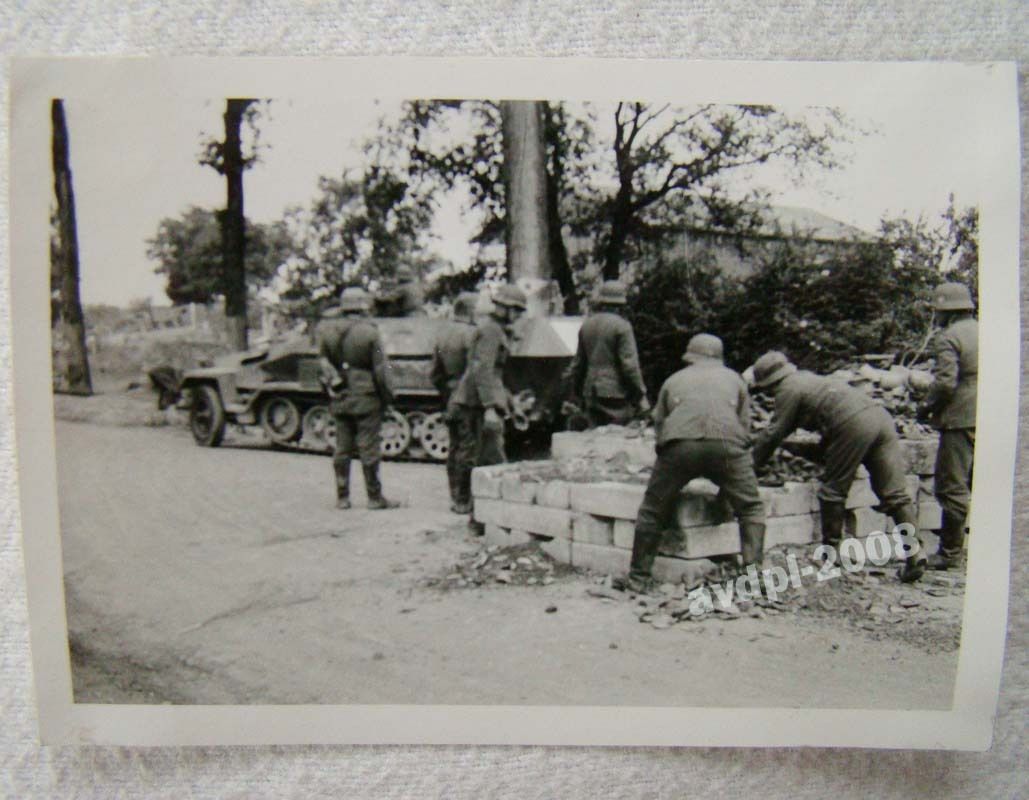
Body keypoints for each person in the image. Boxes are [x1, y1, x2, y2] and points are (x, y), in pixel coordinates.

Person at [749, 351, 926, 582]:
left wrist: (750, 467)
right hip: (880, 419)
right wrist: (799, 450)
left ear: (770, 382)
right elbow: (827, 434)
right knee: (894, 494)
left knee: (832, 491)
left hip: (852, 426)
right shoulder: (809, 380)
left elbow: (773, 433)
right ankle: (915, 552)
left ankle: (830, 556)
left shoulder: (788, 389)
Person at [621, 334, 766, 593]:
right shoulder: (735, 379)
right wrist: (731, 476)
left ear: (691, 357)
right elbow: (744, 426)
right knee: (751, 508)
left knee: (653, 509)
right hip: (727, 447)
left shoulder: (673, 380)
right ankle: (753, 580)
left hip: (680, 447)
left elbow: (660, 424)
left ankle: (638, 578)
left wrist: (668, 462)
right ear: (719, 357)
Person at [316, 287, 400, 511]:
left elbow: (322, 365)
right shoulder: (370, 332)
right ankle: (374, 497)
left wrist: (330, 392)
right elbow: (381, 370)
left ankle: (342, 498)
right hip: (366, 398)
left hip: (340, 396)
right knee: (369, 449)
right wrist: (387, 398)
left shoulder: (327, 331)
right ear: (363, 306)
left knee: (342, 449)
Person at [449, 284, 528, 512]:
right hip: (475, 403)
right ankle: (474, 507)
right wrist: (491, 408)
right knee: (488, 457)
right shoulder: (491, 331)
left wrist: (510, 403)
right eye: (516, 310)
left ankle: (472, 506)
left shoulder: (494, 329)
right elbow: (482, 370)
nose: (518, 315)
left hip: (478, 401)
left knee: (483, 455)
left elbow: (495, 375)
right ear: (504, 308)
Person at [916, 282, 977, 570]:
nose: (936, 316)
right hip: (988, 413)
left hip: (960, 418)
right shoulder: (983, 330)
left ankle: (950, 553)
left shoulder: (948, 337)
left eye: (937, 311)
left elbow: (945, 383)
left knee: (952, 486)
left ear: (948, 312)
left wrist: (926, 407)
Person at [567, 280, 650, 427]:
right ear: (621, 304)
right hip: (615, 393)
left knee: (594, 434)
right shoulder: (622, 326)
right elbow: (629, 366)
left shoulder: (587, 325)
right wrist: (641, 395)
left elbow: (578, 364)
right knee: (618, 435)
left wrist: (576, 393)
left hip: (590, 392)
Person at [430, 292, 479, 514]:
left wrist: (447, 393)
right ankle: (464, 500)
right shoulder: (472, 334)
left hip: (450, 395)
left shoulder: (442, 333)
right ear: (470, 311)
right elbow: (474, 370)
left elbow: (434, 373)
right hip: (468, 398)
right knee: (468, 448)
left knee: (454, 447)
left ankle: (455, 496)